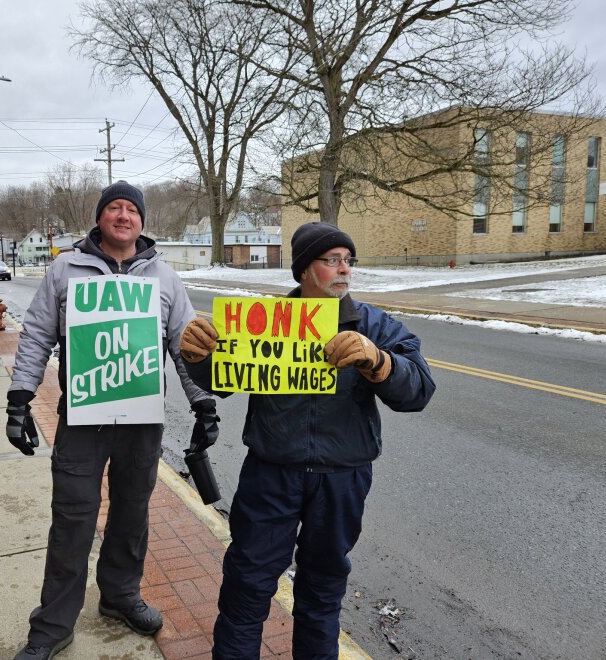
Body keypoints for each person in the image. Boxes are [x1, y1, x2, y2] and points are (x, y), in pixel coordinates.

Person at [179, 222, 436, 659]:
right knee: (246, 588)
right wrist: (196, 356)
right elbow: (220, 378)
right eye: (331, 260)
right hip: (271, 475)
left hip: (342, 479)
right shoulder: (263, 324)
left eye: (348, 261)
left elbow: (419, 390)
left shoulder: (372, 324)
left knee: (322, 595)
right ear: (303, 270)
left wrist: (380, 362)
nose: (344, 270)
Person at [7, 180, 218, 660]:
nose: (123, 216)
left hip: (142, 420)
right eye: (114, 208)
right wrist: (18, 401)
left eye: (132, 210)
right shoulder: (66, 269)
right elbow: (37, 334)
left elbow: (187, 347)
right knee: (72, 519)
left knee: (131, 513)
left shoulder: (164, 278)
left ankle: (120, 596)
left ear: (142, 222)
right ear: (101, 217)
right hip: (82, 418)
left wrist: (203, 405)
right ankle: (52, 625)